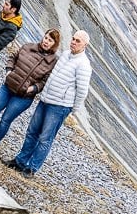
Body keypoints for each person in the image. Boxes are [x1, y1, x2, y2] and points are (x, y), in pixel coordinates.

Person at [9, 30, 92, 175]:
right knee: (32, 132)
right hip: (46, 100)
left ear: (85, 45)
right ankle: (20, 161)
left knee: (45, 138)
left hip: (60, 106)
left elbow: (82, 91)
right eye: (73, 38)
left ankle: (31, 168)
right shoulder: (66, 55)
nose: (73, 42)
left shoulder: (83, 65)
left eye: (78, 41)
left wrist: (72, 109)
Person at [0, 29, 60, 156]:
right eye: (46, 37)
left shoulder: (53, 63)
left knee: (5, 120)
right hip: (7, 88)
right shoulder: (28, 47)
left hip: (23, 98)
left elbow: (45, 81)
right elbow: (12, 57)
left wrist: (33, 89)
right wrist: (9, 71)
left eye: (50, 40)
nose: (46, 41)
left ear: (54, 44)